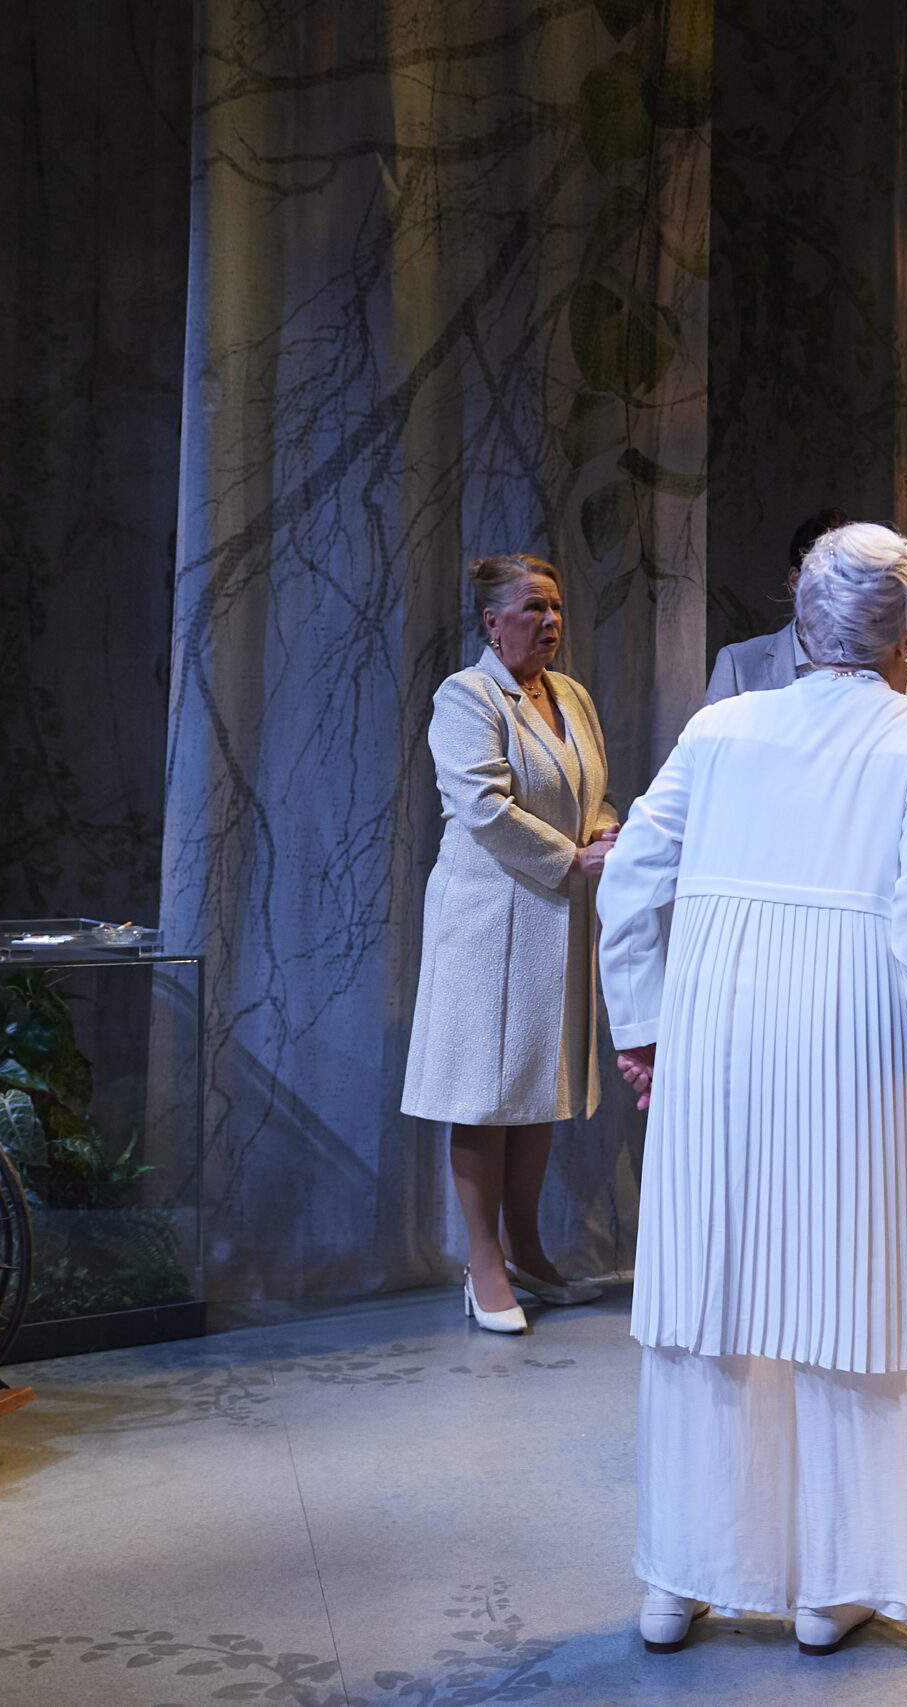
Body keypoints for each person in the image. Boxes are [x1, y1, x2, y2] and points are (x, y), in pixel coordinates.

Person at [598, 522, 907, 1658]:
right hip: (847, 1031)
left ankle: (681, 1580)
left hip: (716, 1029)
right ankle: (831, 1587)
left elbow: (626, 878)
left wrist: (648, 1027)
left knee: (710, 1290)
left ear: (808, 622)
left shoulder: (722, 726)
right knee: (845, 1291)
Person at [399, 553, 620, 1332]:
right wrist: (574, 858)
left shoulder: (574, 698)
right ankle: (483, 1261)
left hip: (555, 920)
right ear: (493, 622)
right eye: (534, 608)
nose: (551, 622)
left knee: (536, 1090)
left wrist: (606, 829)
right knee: (484, 1093)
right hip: (489, 920)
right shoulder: (467, 696)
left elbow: (591, 789)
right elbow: (486, 808)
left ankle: (528, 1248)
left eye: (557, 607)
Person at [703, 506, 907, 703]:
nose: (842, 588)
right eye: (826, 576)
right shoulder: (738, 664)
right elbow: (712, 743)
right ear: (795, 579)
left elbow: (905, 733)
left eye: (854, 576)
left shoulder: (890, 659)